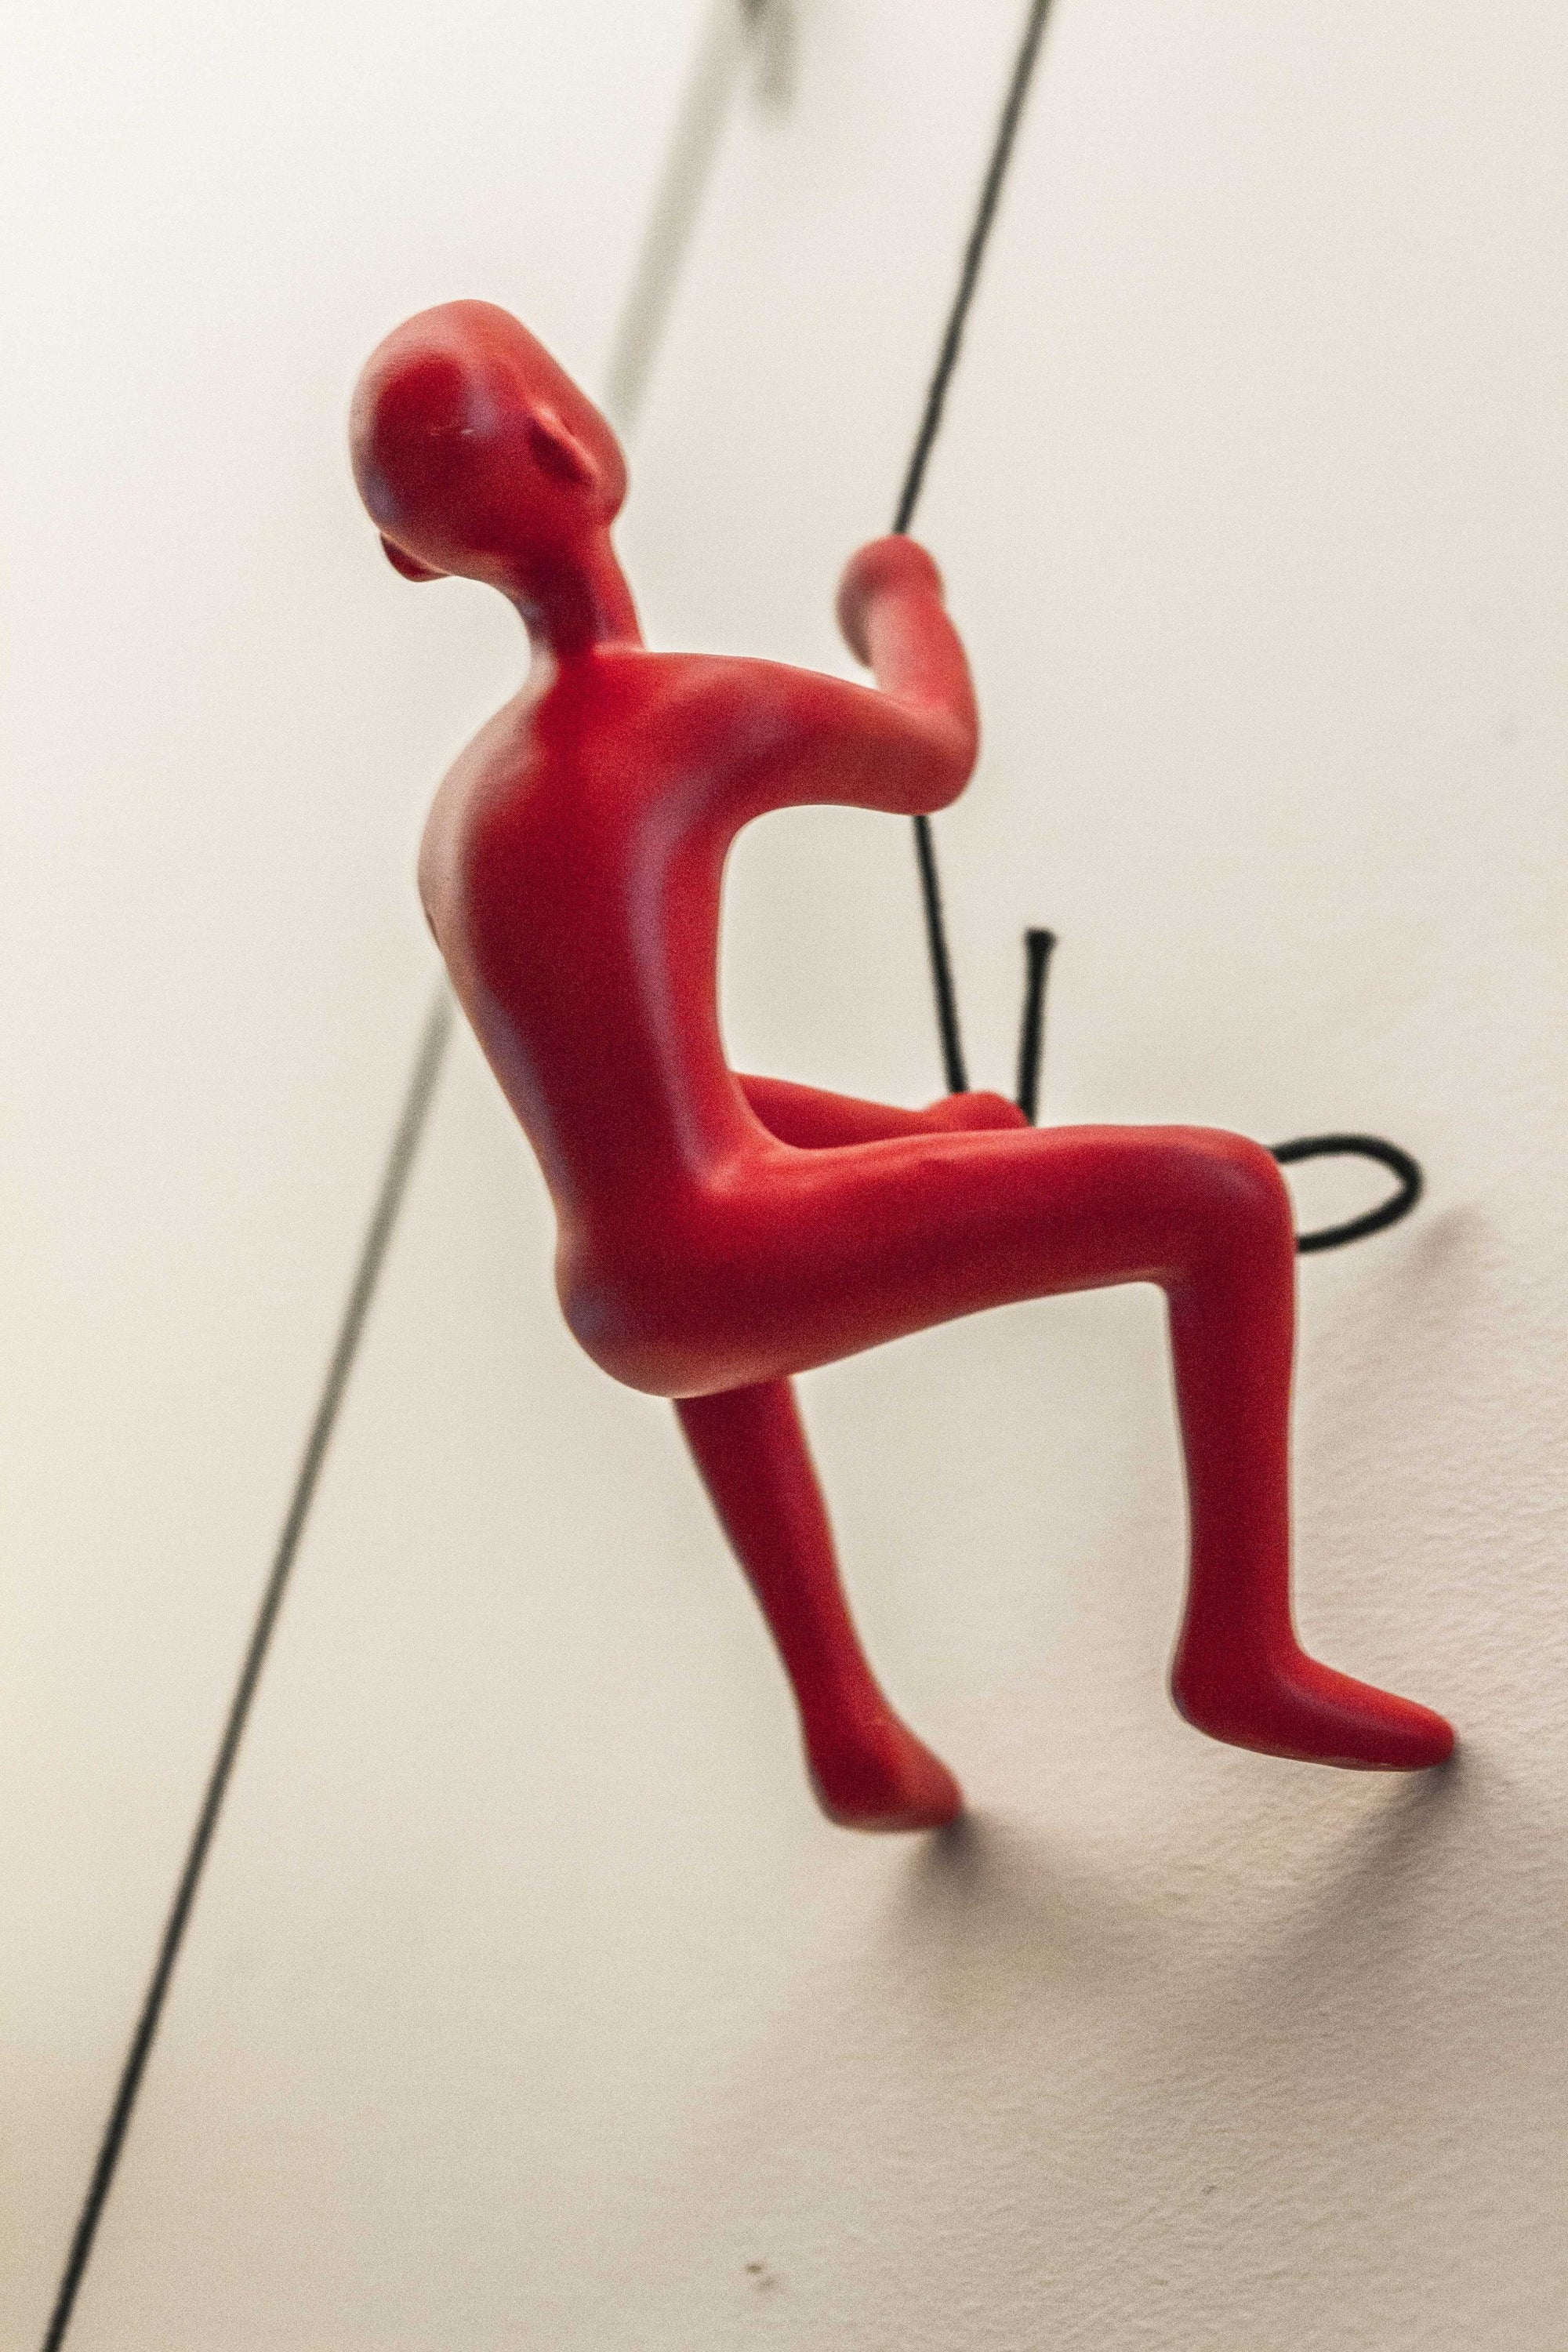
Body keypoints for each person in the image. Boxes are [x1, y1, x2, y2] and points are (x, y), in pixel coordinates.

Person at [350, 299, 1454, 1831]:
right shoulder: (687, 712)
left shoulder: (457, 817)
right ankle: (1238, 1652)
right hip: (726, 1254)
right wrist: (896, 595)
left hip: (612, 1298)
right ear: (566, 439)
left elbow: (664, 1116)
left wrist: (919, 1137)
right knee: (1218, 1197)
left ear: (408, 559)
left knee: (703, 1284)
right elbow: (929, 751)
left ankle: (844, 1726)